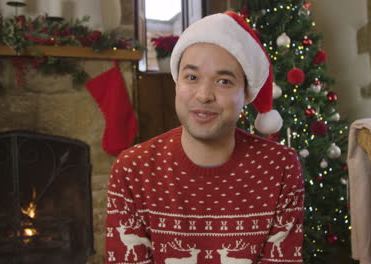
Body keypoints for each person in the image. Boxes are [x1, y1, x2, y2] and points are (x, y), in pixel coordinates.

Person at [105, 11, 304, 264]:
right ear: (177, 84)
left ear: (246, 94)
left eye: (223, 81)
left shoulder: (281, 167)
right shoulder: (132, 169)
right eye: (192, 78)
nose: (204, 95)